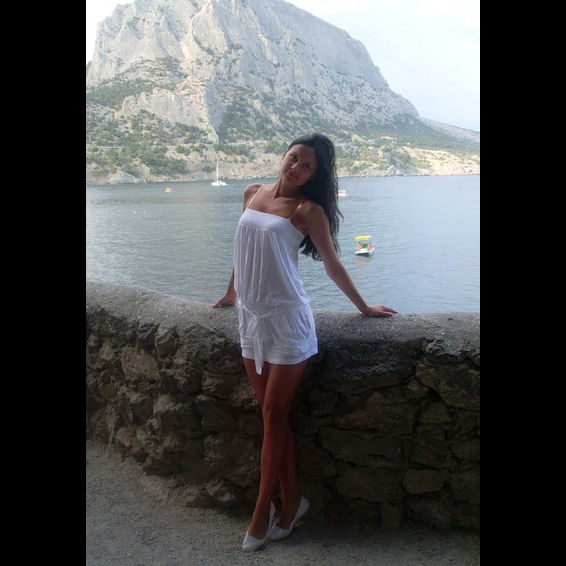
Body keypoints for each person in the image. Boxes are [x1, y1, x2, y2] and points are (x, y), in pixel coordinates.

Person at [213, 133, 397, 551]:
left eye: (306, 165)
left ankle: (263, 510)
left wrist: (365, 307)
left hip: (287, 321)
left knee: (274, 413)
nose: (295, 167)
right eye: (293, 157)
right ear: (284, 155)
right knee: (273, 418)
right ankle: (293, 502)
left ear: (315, 175)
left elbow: (332, 265)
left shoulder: (307, 211)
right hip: (251, 321)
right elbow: (242, 251)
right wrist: (231, 292)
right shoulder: (251, 192)